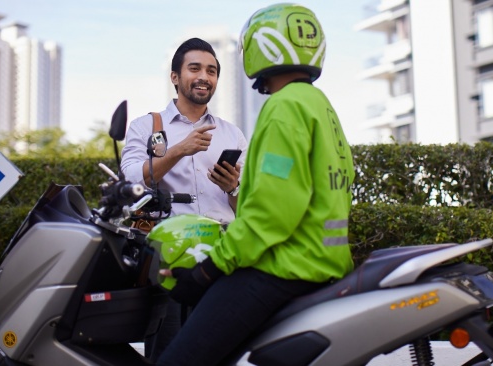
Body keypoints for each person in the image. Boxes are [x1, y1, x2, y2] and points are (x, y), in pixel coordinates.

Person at [157, 4, 355, 365]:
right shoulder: (320, 105)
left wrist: (207, 270)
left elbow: (270, 212)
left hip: (282, 269)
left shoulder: (284, 108)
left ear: (263, 47)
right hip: (325, 266)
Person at [120, 37, 248, 361]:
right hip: (168, 254)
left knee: (220, 349)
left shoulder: (232, 134)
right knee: (170, 351)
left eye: (212, 70)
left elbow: (248, 207)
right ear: (175, 77)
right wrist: (179, 150)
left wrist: (233, 187)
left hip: (221, 254)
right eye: (195, 68)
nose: (204, 76)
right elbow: (131, 179)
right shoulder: (146, 126)